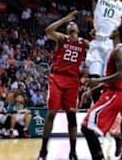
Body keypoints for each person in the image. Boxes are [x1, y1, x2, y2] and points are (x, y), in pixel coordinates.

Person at [37, 11, 89, 160]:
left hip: (73, 81)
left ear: (78, 29)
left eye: (74, 23)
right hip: (57, 78)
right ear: (66, 29)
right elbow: (48, 30)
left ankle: (73, 151)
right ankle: (43, 150)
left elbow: (99, 48)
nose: (72, 24)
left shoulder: (83, 42)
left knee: (72, 118)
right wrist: (64, 19)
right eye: (69, 24)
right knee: (51, 113)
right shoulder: (62, 38)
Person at [80, 22, 122, 160]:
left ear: (118, 33)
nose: (112, 30)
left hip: (114, 95)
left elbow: (121, 75)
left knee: (86, 127)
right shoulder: (118, 49)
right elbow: (114, 79)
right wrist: (94, 90)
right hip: (112, 93)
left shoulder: (120, 50)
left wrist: (98, 81)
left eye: (115, 28)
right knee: (87, 127)